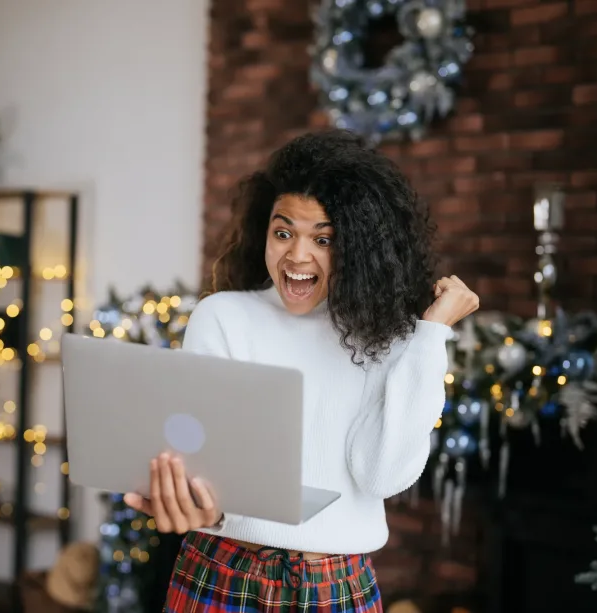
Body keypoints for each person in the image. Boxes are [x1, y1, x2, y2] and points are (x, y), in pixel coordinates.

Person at [124, 129, 479, 612]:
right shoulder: (224, 317)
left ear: (359, 247)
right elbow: (207, 463)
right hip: (224, 571)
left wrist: (430, 334)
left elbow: (383, 476)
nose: (296, 256)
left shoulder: (390, 338)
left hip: (338, 585)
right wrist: (194, 500)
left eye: (324, 238)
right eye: (283, 231)